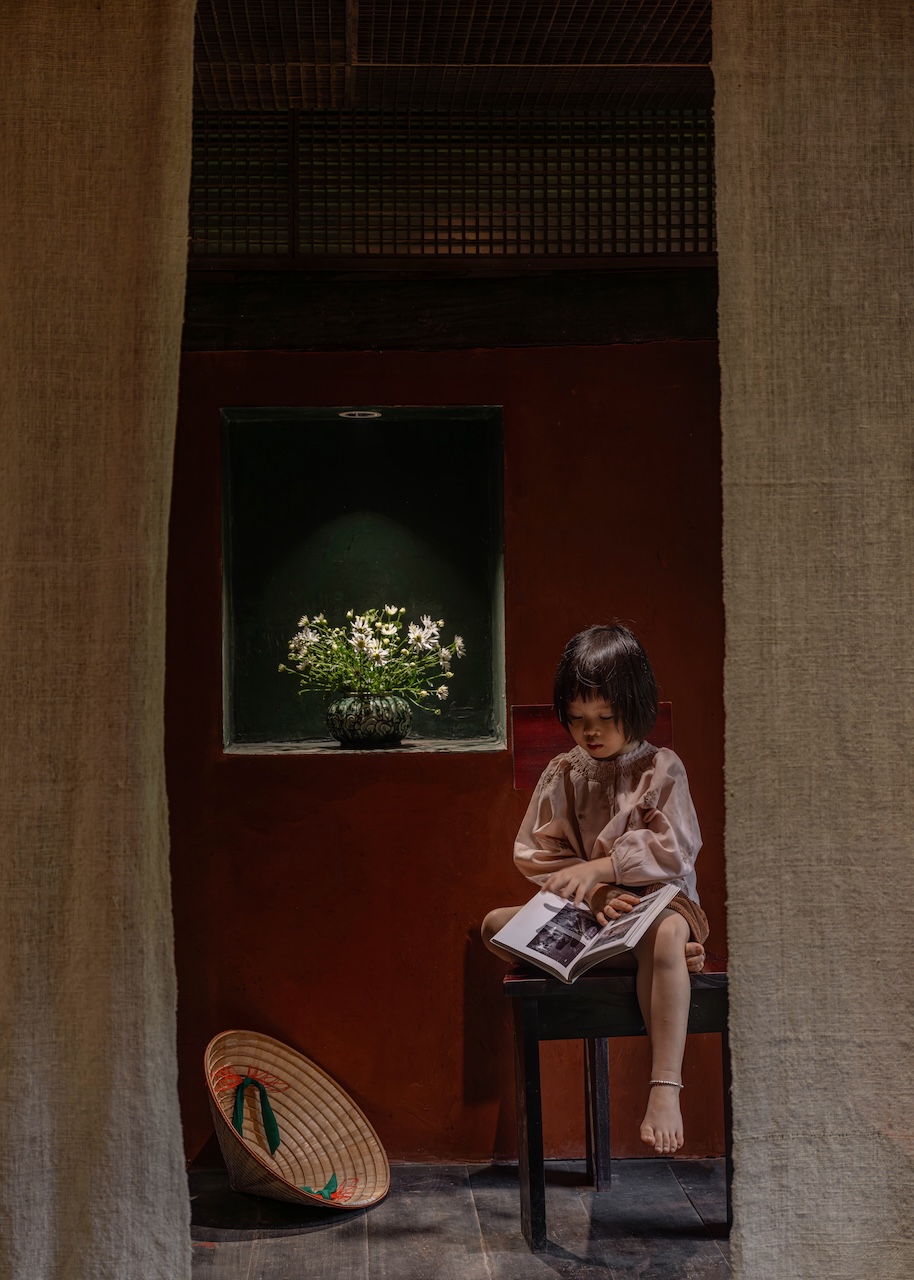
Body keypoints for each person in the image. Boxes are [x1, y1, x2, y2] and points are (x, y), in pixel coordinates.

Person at [482, 623, 709, 1156]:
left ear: (636, 706)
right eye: (577, 718)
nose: (591, 731)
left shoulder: (661, 768)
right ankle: (658, 962)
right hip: (594, 915)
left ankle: (665, 1086)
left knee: (666, 932)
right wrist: (596, 893)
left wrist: (603, 868)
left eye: (606, 717)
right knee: (495, 925)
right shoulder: (563, 772)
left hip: (662, 904)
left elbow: (675, 849)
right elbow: (537, 852)